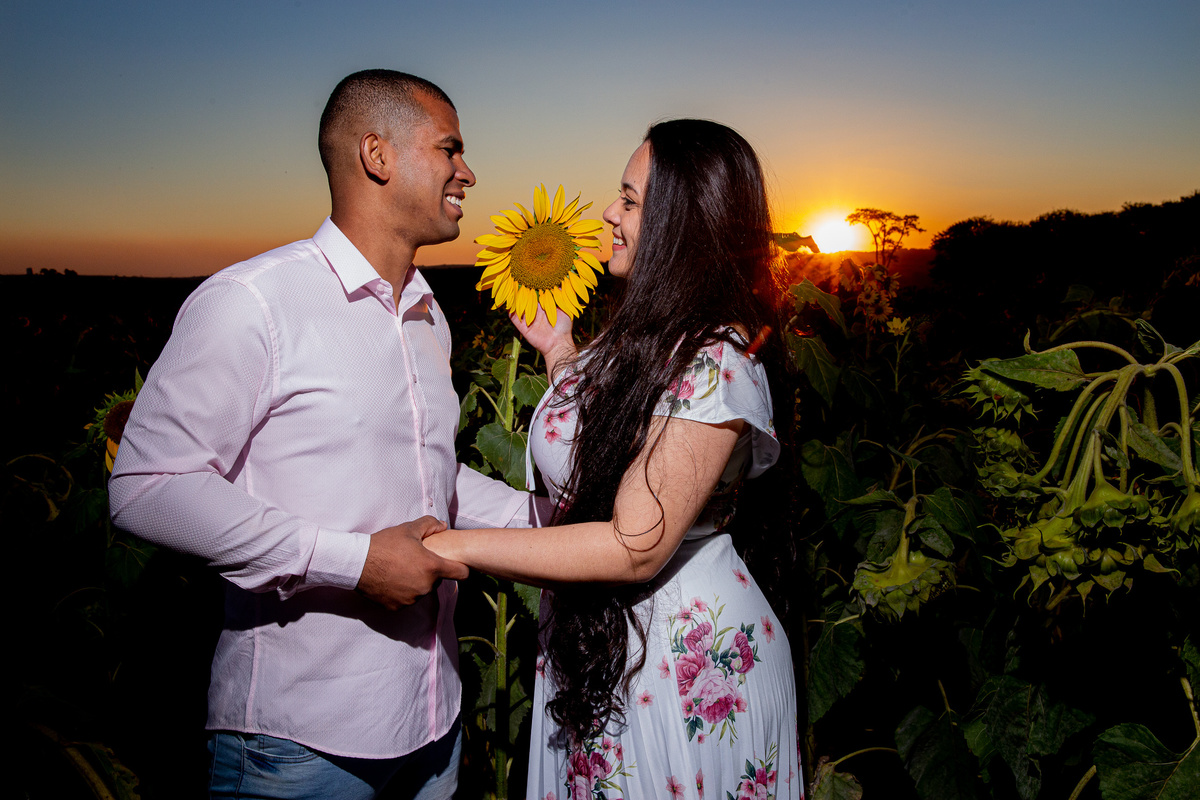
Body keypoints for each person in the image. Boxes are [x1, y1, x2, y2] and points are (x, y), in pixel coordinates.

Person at [108, 70, 545, 800]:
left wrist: (551, 522)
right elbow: (146, 488)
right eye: (450, 149)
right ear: (377, 155)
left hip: (432, 729)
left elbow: (427, 477)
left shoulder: (427, 317)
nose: (467, 172)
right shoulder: (254, 301)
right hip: (300, 745)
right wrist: (355, 563)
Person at [422, 119, 802, 799]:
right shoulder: (640, 338)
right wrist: (558, 349)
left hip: (679, 670)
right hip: (611, 656)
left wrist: (447, 547)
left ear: (680, 224)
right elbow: (599, 454)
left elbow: (634, 545)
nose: (607, 213)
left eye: (629, 200)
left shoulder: (714, 359)